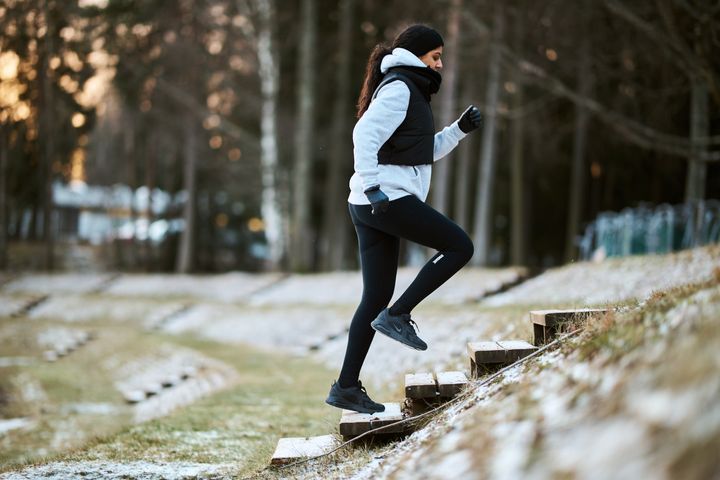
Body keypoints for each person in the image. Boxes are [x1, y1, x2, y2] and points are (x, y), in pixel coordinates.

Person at [325, 24, 483, 414]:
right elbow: (364, 136)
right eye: (435, 57)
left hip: (369, 202)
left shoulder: (408, 89)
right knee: (459, 245)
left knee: (374, 296)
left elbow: (418, 151)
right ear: (416, 56)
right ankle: (398, 314)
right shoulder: (399, 88)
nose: (440, 64)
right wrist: (374, 186)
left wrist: (457, 131)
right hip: (384, 198)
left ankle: (346, 386)